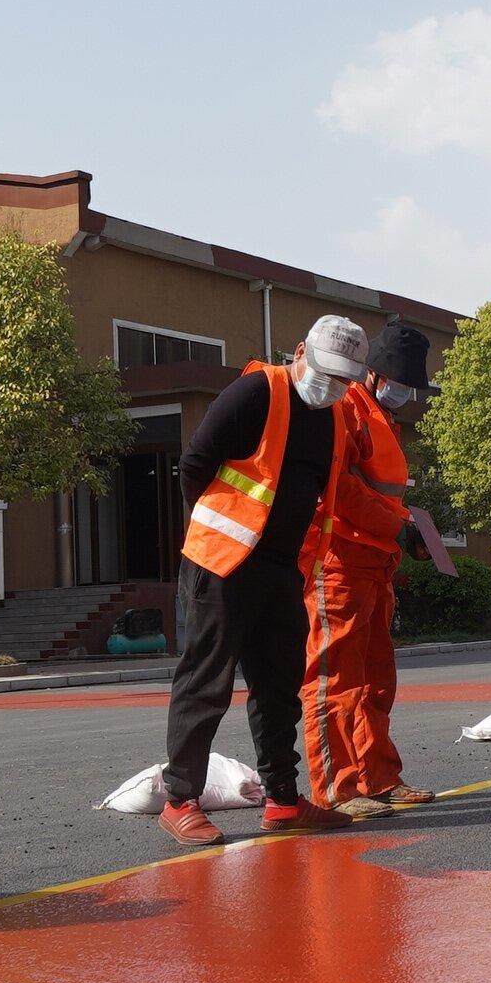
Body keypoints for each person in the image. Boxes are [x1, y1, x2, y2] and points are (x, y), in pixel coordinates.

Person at [149, 316, 370, 846]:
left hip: (280, 569)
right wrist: (221, 533)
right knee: (206, 682)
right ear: (299, 352)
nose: (332, 386)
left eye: (344, 380)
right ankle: (181, 799)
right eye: (324, 373)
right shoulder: (257, 390)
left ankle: (283, 800)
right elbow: (195, 464)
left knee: (277, 687)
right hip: (221, 564)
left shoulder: (334, 416)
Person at [304, 326, 444, 815]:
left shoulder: (382, 417)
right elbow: (335, 484)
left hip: (375, 561)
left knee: (376, 680)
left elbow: (380, 490)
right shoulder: (345, 408)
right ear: (372, 372)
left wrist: (410, 532)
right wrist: (398, 525)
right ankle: (337, 789)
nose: (405, 392)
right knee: (335, 679)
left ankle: (378, 777)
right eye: (399, 381)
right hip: (340, 561)